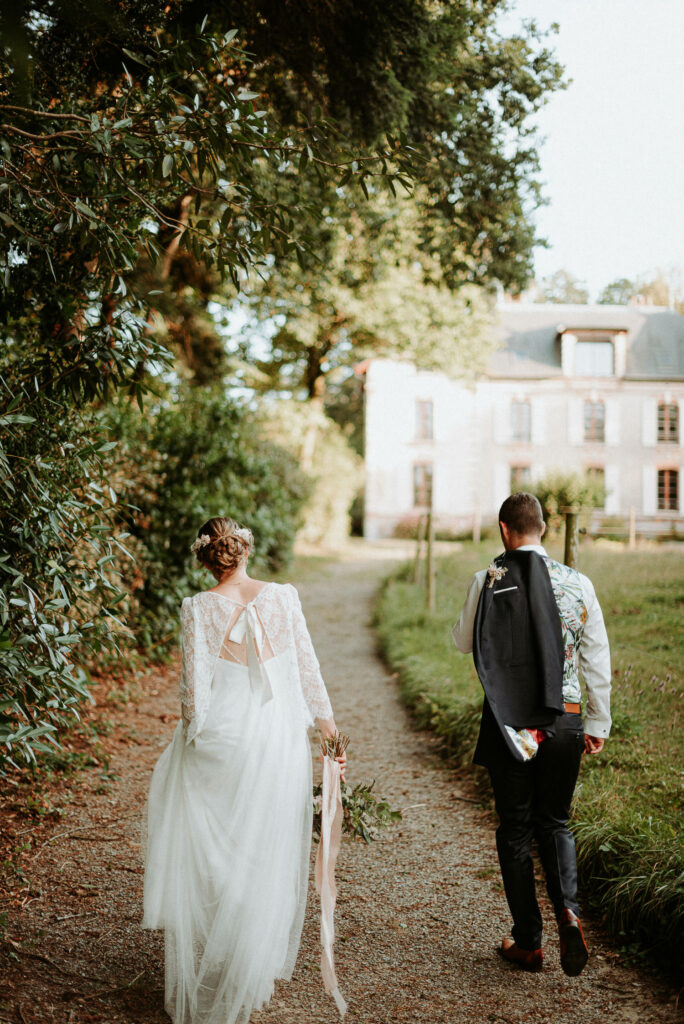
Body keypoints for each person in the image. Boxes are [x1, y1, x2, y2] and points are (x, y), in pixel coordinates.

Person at [142, 516, 346, 1024]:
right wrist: (329, 732)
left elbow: (194, 695)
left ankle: (225, 947)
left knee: (220, 842)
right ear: (244, 550)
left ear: (206, 559)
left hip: (224, 735)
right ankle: (249, 960)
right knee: (267, 842)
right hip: (276, 736)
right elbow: (307, 668)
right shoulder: (283, 596)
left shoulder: (196, 608)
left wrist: (191, 744)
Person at [452, 493, 611, 976]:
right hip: (564, 719)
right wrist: (597, 722)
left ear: (505, 530)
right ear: (542, 528)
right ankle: (569, 911)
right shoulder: (578, 583)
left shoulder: (489, 578)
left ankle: (528, 941)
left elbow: (462, 642)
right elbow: (595, 659)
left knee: (516, 829)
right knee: (556, 822)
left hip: (511, 725)